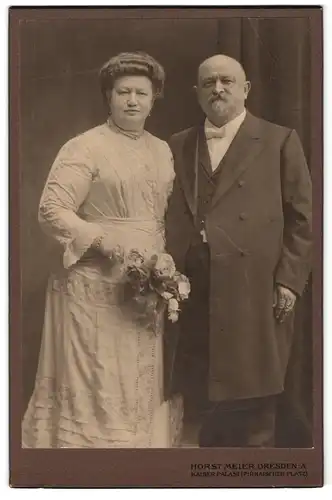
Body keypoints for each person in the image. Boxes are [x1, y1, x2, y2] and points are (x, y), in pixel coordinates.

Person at [22, 52, 183, 448]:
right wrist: (101, 240)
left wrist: (160, 266)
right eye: (122, 92)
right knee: (98, 377)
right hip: (92, 283)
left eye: (141, 93)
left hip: (145, 281)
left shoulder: (162, 150)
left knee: (135, 378)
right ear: (108, 97)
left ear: (154, 97)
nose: (132, 101)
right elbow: (51, 210)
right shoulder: (84, 147)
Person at [165, 54, 312, 447]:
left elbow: (303, 219)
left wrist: (290, 282)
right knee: (203, 401)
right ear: (196, 93)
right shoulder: (178, 144)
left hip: (255, 284)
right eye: (209, 82)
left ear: (245, 89)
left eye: (227, 81)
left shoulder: (280, 140)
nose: (218, 89)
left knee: (256, 396)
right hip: (197, 287)